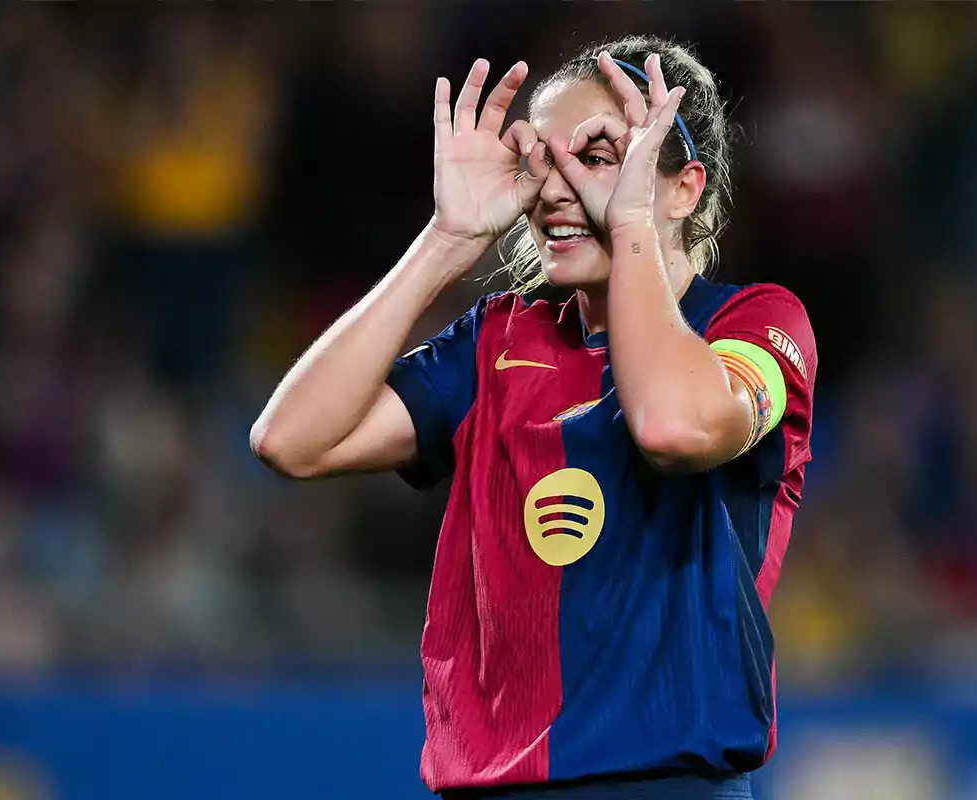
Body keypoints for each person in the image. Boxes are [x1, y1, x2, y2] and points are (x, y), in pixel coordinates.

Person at [252, 35, 816, 800]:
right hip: (493, 787)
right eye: (543, 161)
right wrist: (446, 240)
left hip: (665, 786)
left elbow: (672, 428)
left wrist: (632, 227)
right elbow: (290, 440)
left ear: (684, 188)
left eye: (599, 156)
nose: (556, 189)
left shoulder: (754, 326)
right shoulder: (495, 342)